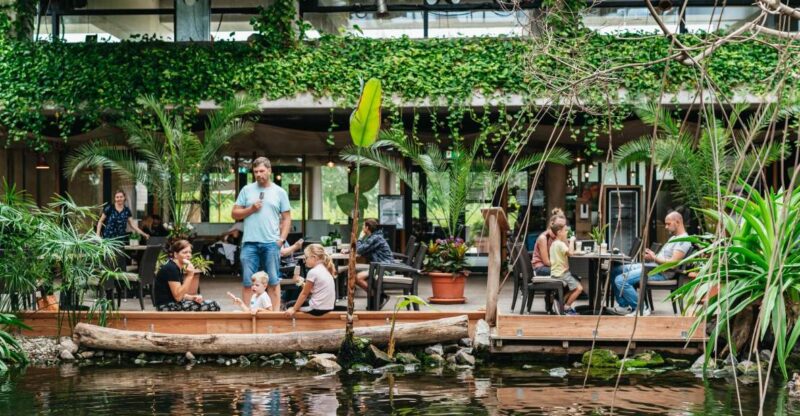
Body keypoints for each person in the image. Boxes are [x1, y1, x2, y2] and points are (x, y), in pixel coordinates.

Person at [231, 157, 292, 311]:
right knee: (247, 282)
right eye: (256, 171)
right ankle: (246, 314)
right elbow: (234, 214)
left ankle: (275, 315)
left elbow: (287, 218)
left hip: (271, 243)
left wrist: (282, 239)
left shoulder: (279, 192)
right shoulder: (247, 190)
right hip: (249, 243)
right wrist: (251, 209)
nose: (259, 174)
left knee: (273, 281)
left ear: (269, 171)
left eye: (262, 171)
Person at [612, 211, 691, 316]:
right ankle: (624, 304)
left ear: (677, 222)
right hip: (654, 267)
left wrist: (654, 258)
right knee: (616, 270)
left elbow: (672, 264)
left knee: (620, 280)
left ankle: (641, 308)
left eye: (668, 224)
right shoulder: (673, 238)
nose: (666, 227)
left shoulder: (684, 241)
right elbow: (663, 257)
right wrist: (653, 256)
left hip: (661, 273)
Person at [153, 239, 220, 311]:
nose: (188, 255)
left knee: (207, 303)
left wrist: (192, 297)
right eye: (184, 252)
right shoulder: (171, 268)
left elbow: (178, 293)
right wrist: (190, 275)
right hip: (166, 307)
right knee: (213, 305)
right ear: (175, 254)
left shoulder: (175, 266)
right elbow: (178, 297)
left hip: (173, 304)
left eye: (189, 252)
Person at [285, 244, 336, 317]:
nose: (305, 261)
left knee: (289, 305)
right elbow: (312, 290)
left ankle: (297, 327)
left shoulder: (313, 272)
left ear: (314, 257)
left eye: (306, 258)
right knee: (296, 304)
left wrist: (293, 309)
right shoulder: (326, 269)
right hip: (329, 307)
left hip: (316, 308)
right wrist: (300, 282)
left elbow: (304, 294)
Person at [549, 221, 582, 315]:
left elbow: (567, 251)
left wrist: (566, 241)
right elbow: (570, 253)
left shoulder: (555, 244)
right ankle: (566, 308)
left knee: (573, 286)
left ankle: (560, 303)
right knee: (579, 288)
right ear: (559, 232)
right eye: (565, 231)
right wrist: (571, 240)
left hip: (556, 272)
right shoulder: (560, 244)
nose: (567, 232)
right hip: (562, 273)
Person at [354, 219, 394, 295]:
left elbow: (359, 250)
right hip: (381, 266)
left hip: (385, 268)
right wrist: (349, 251)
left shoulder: (376, 238)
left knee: (358, 278)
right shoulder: (374, 237)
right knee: (358, 276)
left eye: (363, 226)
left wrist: (360, 238)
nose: (362, 228)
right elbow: (364, 248)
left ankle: (379, 296)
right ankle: (376, 297)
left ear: (367, 227)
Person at [531, 208, 568, 276]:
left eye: (563, 226)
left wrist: (564, 238)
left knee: (570, 275)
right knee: (566, 274)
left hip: (551, 267)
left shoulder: (558, 238)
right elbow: (546, 262)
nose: (561, 228)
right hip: (540, 268)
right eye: (560, 225)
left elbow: (567, 254)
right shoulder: (543, 238)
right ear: (552, 223)